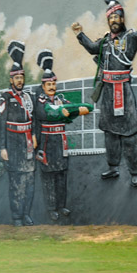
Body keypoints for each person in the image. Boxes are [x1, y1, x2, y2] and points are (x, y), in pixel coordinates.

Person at [72, 0, 137, 188]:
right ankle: (113, 167)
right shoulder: (105, 42)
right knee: (110, 134)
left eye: (117, 17)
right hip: (107, 92)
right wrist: (80, 34)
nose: (114, 21)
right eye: (111, 18)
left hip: (123, 92)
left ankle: (134, 172)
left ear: (122, 18)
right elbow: (91, 48)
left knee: (131, 134)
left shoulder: (131, 38)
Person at [34, 49, 90, 221]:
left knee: (61, 175)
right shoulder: (40, 101)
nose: (52, 87)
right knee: (49, 177)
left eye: (53, 84)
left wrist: (78, 110)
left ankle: (61, 206)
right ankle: (51, 208)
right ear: (43, 86)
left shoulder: (60, 100)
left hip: (61, 142)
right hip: (46, 142)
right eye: (48, 85)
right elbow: (46, 114)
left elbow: (74, 107)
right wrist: (64, 113)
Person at [0, 40, 37, 226]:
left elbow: (34, 119)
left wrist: (35, 135)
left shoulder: (29, 97)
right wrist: (2, 147)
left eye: (22, 77)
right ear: (11, 80)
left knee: (29, 182)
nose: (20, 80)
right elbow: (1, 123)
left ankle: (27, 214)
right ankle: (16, 217)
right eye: (17, 78)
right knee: (16, 184)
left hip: (28, 144)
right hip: (12, 146)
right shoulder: (6, 98)